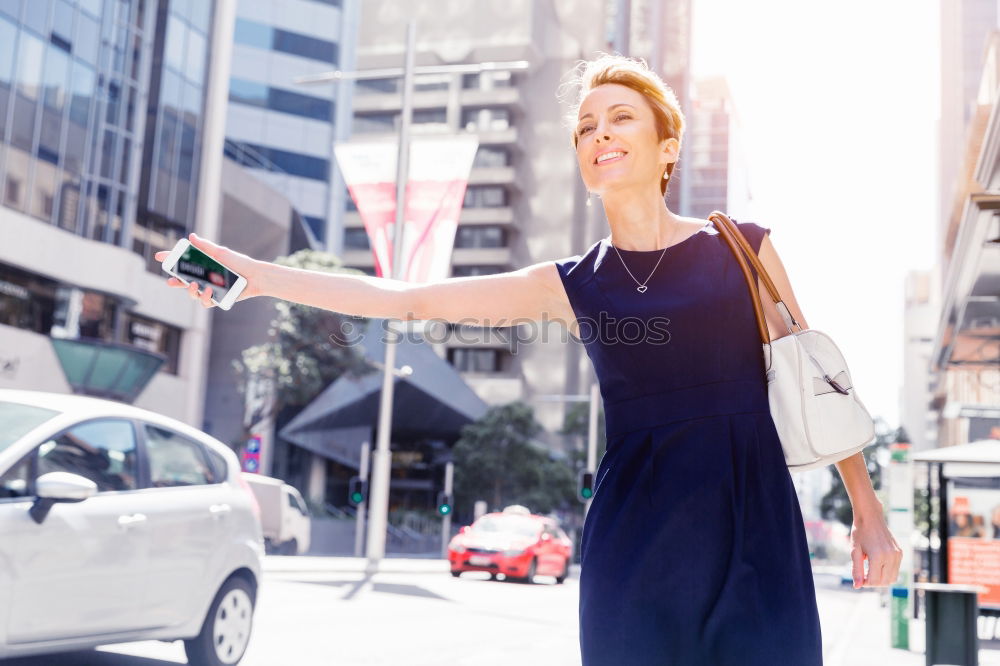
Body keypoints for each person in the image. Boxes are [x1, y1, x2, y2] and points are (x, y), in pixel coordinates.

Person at [155, 52, 903, 665]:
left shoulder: (742, 249)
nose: (599, 134)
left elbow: (821, 391)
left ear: (666, 146)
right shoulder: (570, 284)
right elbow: (408, 299)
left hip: (754, 523)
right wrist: (256, 277)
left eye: (620, 118)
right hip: (637, 538)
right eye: (585, 127)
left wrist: (868, 514)